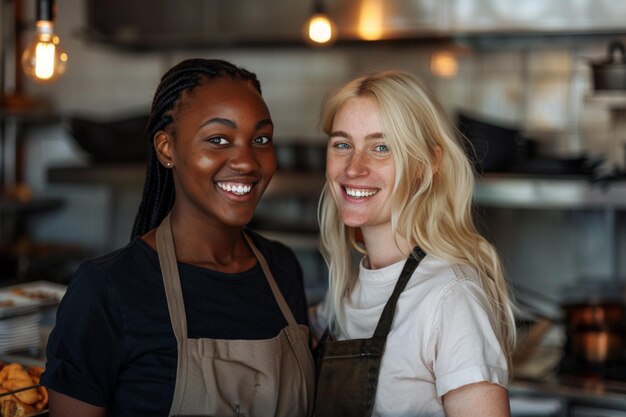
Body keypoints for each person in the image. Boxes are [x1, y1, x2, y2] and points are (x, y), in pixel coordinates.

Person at [41, 58, 315, 417]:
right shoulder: (107, 289)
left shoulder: (281, 268)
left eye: (260, 139)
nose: (247, 161)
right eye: (218, 139)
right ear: (166, 148)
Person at [311, 70, 516, 417]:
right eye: (342, 144)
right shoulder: (346, 288)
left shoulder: (451, 297)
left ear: (428, 164)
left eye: (381, 148)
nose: (354, 167)